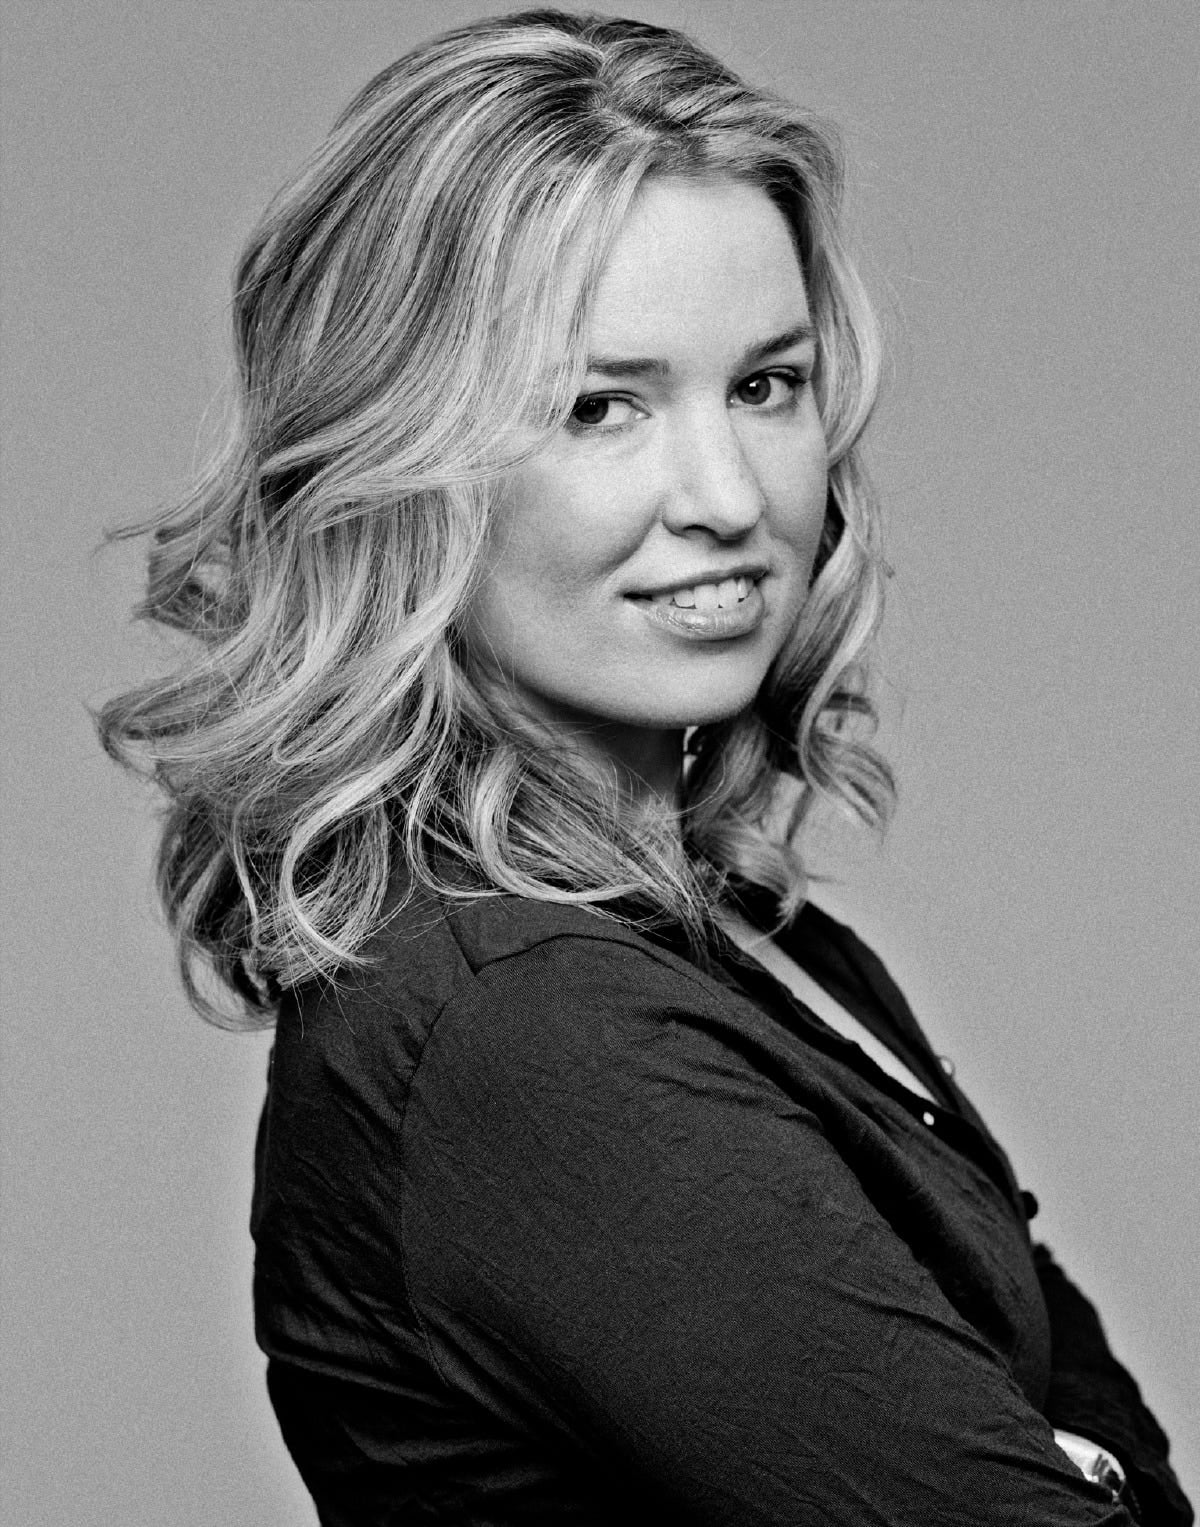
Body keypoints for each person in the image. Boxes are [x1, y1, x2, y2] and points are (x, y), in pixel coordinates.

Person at [99, 10, 1193, 1525]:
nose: (729, 497)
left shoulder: (740, 934)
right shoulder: (524, 1034)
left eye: (767, 386)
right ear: (401, 462)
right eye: (600, 407)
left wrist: (1080, 1465)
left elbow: (1083, 1411)